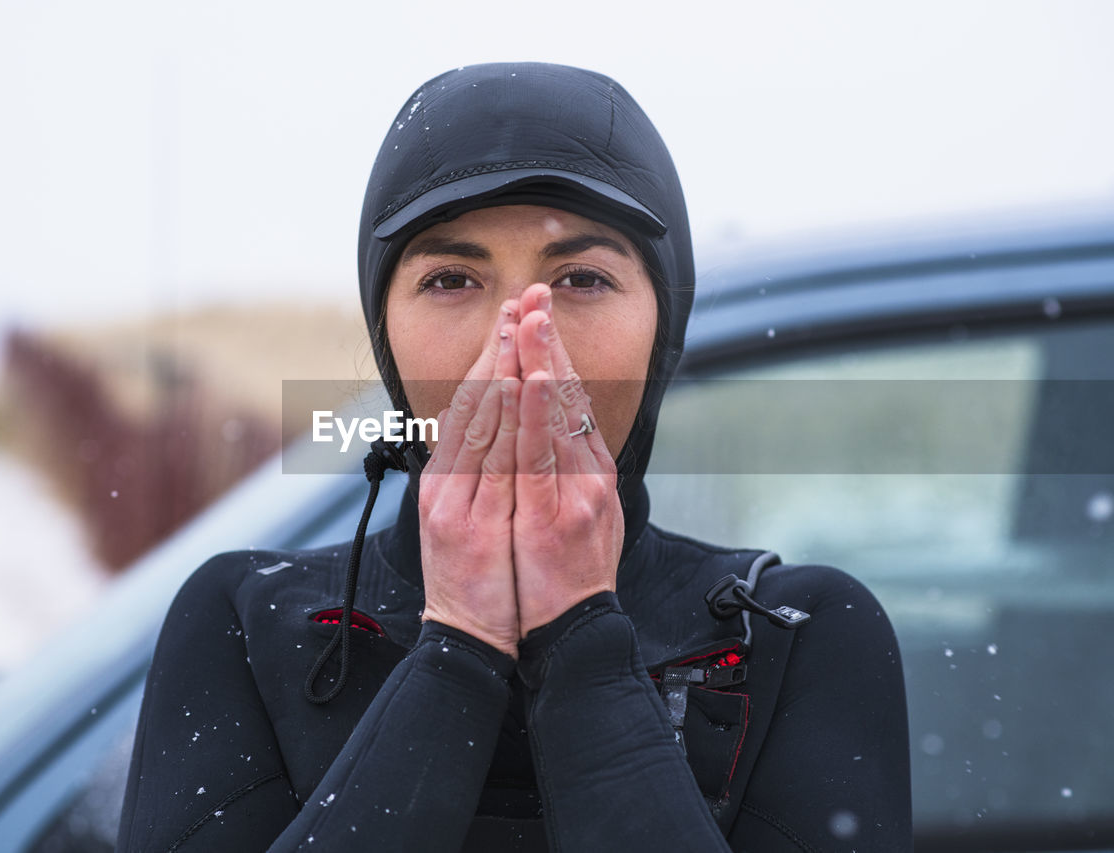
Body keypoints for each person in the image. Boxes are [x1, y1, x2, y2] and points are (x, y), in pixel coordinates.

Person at [117, 62, 912, 851]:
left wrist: (581, 635)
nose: (517, 337)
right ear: (385, 333)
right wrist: (459, 644)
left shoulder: (799, 632)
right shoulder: (246, 618)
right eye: (453, 278)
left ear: (661, 331)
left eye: (583, 278)